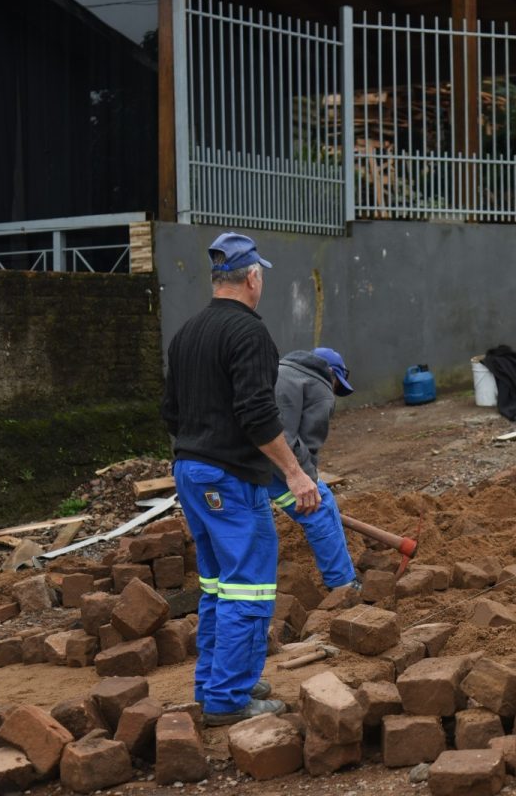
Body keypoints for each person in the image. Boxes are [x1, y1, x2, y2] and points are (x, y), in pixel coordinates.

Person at [161, 232, 320, 726]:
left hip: (190, 471)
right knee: (248, 586)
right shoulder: (249, 334)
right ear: (253, 277)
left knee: (217, 586)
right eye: (262, 275)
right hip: (228, 478)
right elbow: (257, 413)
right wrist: (294, 473)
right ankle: (229, 700)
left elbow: (171, 412)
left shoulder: (187, 332)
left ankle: (219, 682)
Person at [271, 347, 360, 591]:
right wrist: (309, 480)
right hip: (272, 461)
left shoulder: (278, 370)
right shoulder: (319, 387)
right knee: (319, 507)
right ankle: (343, 584)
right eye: (336, 385)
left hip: (241, 459)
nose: (333, 391)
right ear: (331, 374)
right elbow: (306, 444)